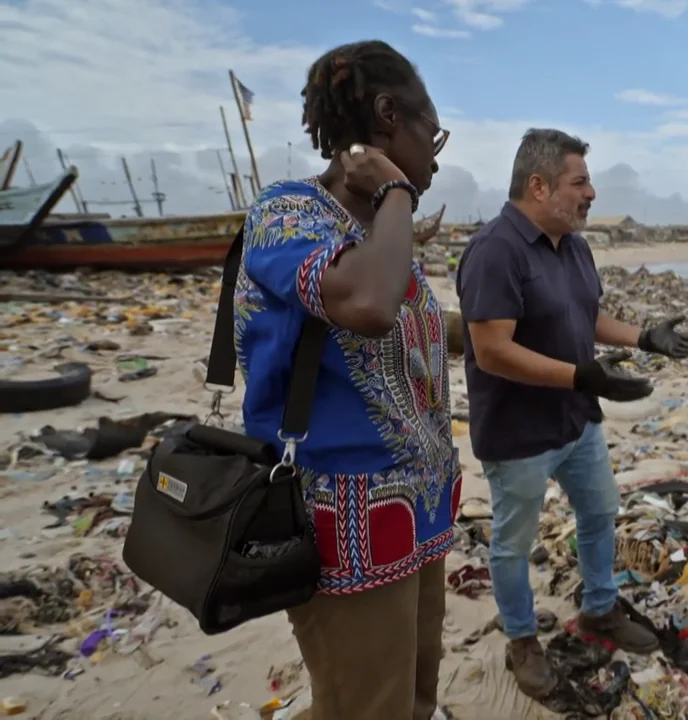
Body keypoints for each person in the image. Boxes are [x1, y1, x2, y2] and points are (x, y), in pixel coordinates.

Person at [233, 40, 458, 720]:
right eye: (432, 133)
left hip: (418, 508)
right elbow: (366, 306)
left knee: (414, 693)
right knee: (364, 707)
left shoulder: (377, 232)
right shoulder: (288, 214)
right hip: (344, 520)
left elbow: (410, 336)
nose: (438, 157)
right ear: (389, 114)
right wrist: (395, 191)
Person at [457, 128, 688, 699]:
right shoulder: (495, 250)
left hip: (575, 419)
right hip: (519, 431)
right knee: (513, 543)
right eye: (580, 182)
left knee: (600, 512)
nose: (591, 193)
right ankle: (522, 640)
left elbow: (584, 317)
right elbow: (492, 349)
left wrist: (646, 336)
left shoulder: (572, 243)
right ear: (539, 186)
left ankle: (599, 609)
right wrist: (582, 375)